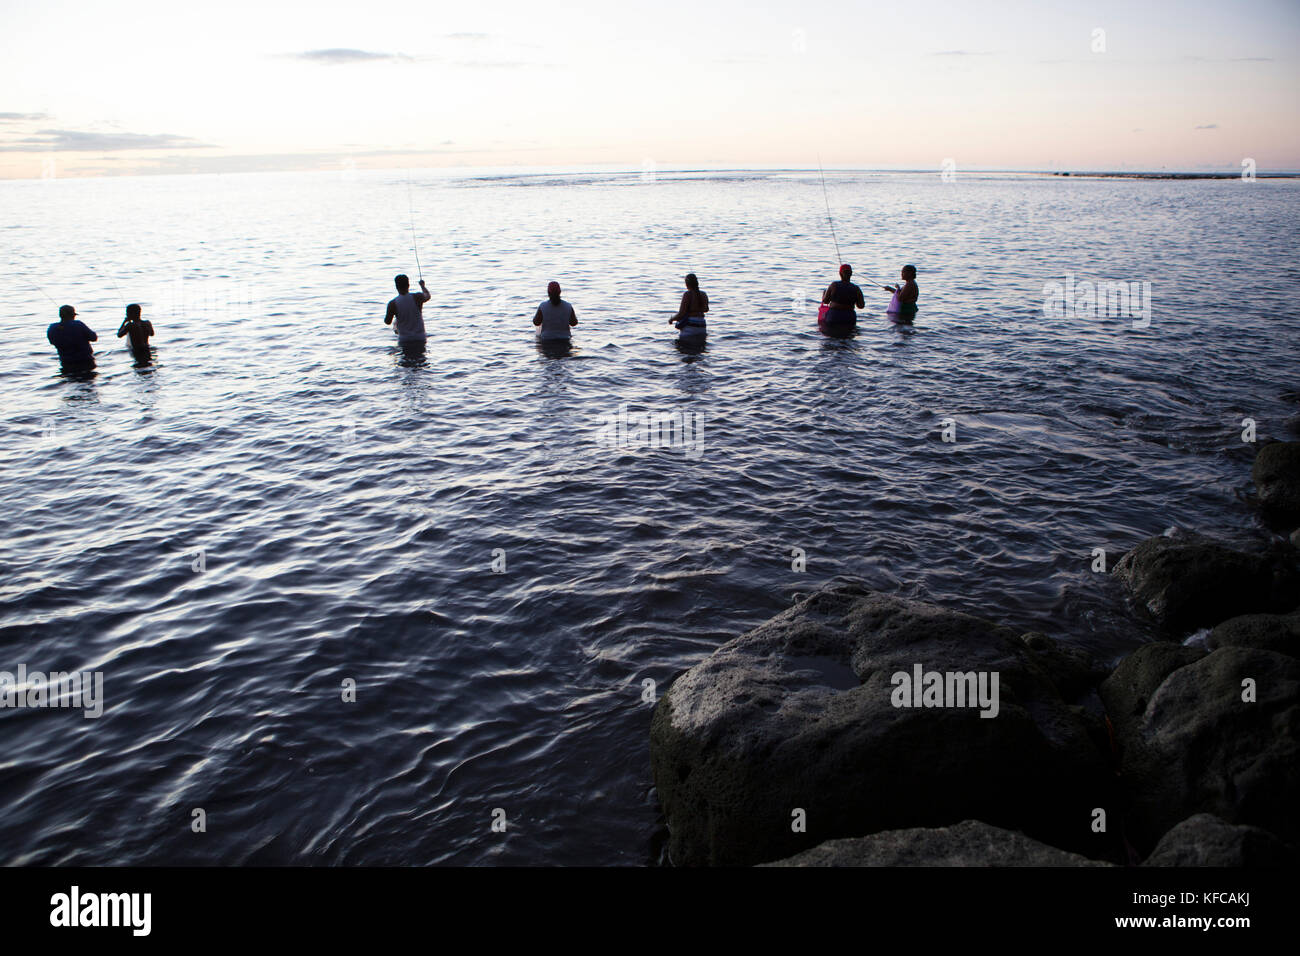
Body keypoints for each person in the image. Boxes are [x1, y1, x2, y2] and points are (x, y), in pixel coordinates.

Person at [384, 274, 431, 344]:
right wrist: (422, 286)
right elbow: (428, 296)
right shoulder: (418, 297)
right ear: (408, 285)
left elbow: (387, 322)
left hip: (404, 340)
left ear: (396, 287)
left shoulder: (392, 304)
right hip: (420, 338)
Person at [820, 263, 864, 332]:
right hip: (849, 317)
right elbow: (861, 306)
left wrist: (823, 295)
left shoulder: (833, 285)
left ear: (840, 274)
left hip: (834, 316)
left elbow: (826, 301)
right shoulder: (856, 289)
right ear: (851, 274)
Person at [668, 273, 708, 341]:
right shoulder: (703, 294)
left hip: (690, 326)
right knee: (699, 349)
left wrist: (671, 319)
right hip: (702, 325)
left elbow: (681, 314)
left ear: (687, 283)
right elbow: (706, 309)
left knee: (684, 349)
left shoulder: (687, 294)